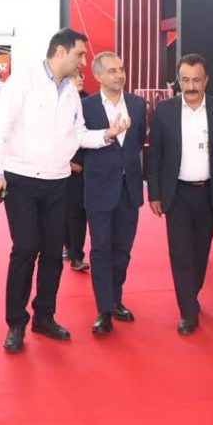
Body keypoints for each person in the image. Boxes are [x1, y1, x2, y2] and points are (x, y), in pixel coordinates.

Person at [0, 28, 129, 353]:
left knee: (52, 252)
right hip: (21, 180)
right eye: (80, 54)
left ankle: (44, 317)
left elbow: (79, 135)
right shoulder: (23, 81)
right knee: (25, 248)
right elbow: (0, 127)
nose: (83, 61)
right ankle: (16, 323)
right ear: (61, 51)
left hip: (58, 182)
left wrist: (107, 134)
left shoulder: (71, 94)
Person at [148, 54, 213, 335]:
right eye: (185, 80)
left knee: (200, 252)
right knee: (181, 253)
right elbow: (155, 154)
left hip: (210, 194)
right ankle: (188, 311)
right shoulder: (164, 110)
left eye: (196, 80)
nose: (191, 86)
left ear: (206, 80)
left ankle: (191, 294)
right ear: (178, 80)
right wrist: (154, 193)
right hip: (177, 194)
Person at [82, 52, 148, 334]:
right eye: (112, 71)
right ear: (97, 76)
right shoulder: (85, 106)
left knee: (122, 250)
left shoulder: (137, 104)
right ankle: (104, 309)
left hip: (129, 189)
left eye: (121, 69)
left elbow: (138, 142)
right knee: (101, 249)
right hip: (98, 189)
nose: (120, 75)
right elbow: (78, 144)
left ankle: (116, 299)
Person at [65, 70, 91, 272]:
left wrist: (78, 163)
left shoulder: (90, 103)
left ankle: (76, 256)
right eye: (75, 76)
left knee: (77, 213)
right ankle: (68, 247)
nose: (80, 79)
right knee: (62, 211)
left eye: (81, 76)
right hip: (57, 166)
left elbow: (89, 136)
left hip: (81, 168)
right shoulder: (58, 102)